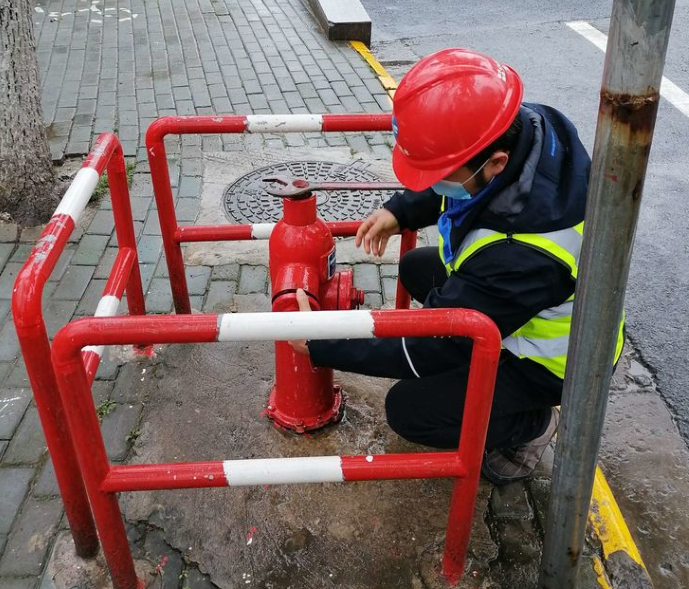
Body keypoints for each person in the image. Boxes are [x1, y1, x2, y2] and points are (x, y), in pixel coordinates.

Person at [290, 47, 625, 485]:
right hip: (525, 306)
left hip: (553, 364)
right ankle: (481, 384)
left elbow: (434, 346)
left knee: (410, 410)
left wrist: (324, 343)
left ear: (497, 163)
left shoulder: (522, 253)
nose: (434, 183)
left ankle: (532, 427)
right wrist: (402, 211)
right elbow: (461, 179)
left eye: (438, 174)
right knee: (416, 266)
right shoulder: (524, 132)